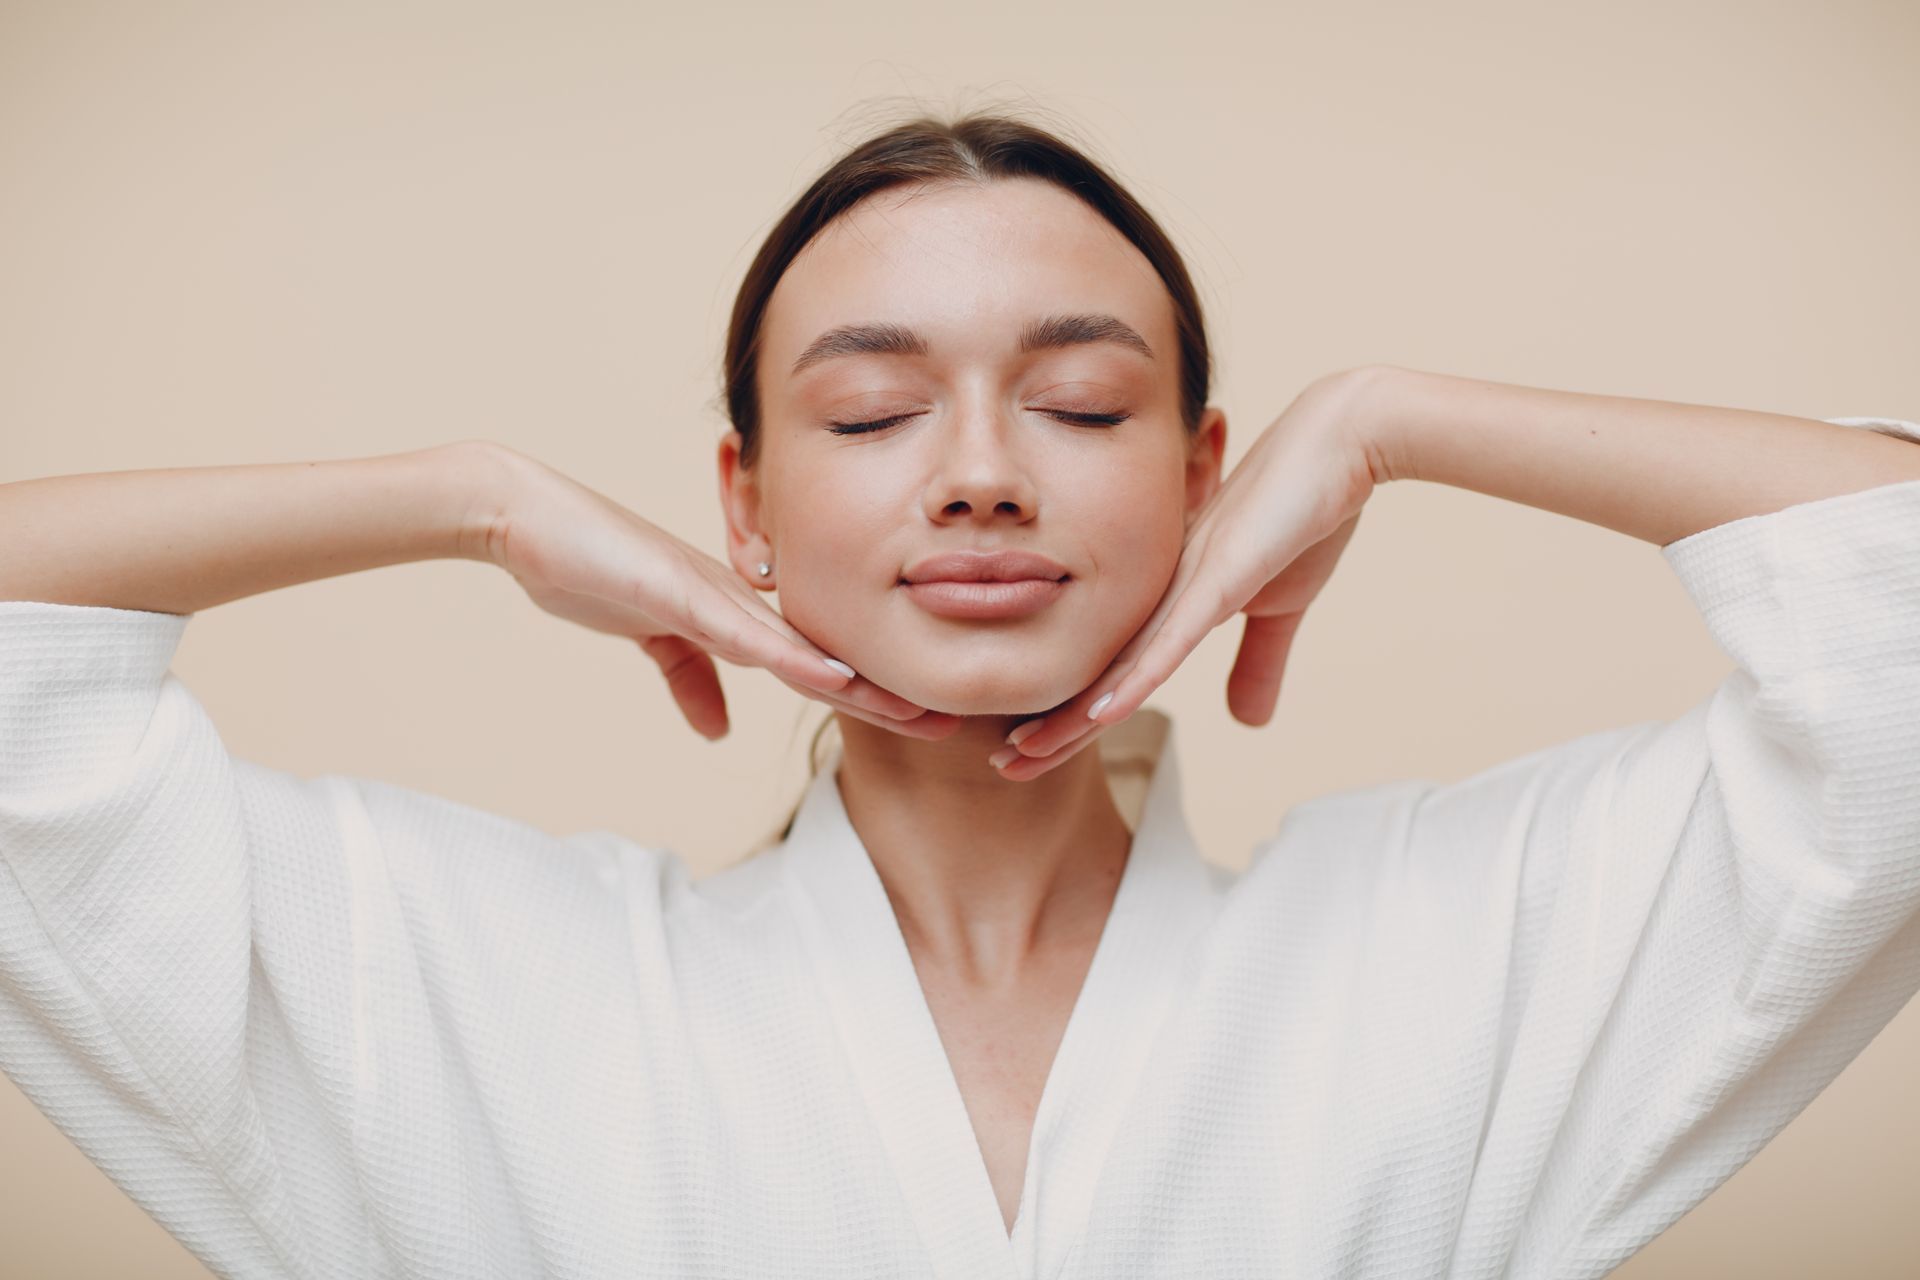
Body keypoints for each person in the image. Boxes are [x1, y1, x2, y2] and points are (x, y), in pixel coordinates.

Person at [1, 109, 1917, 1280]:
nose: (984, 470)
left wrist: (1399, 422)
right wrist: (469, 500)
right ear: (742, 498)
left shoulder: (1451, 945)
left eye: (1085, 405)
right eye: (870, 409)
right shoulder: (463, 977)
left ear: (1205, 474)